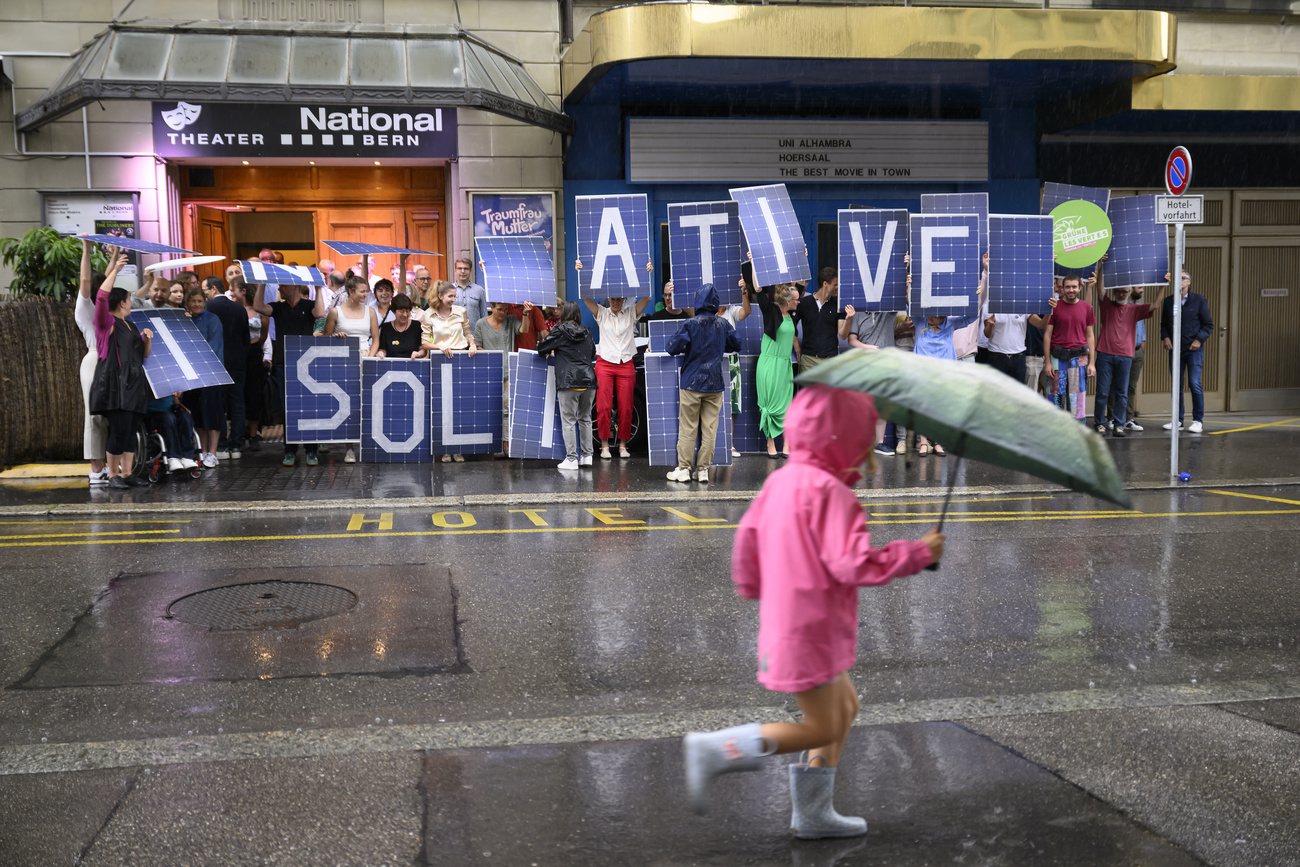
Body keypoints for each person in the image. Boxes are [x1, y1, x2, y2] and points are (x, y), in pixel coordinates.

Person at [683, 385, 944, 836]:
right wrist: (918, 553)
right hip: (813, 631)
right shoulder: (836, 497)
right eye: (866, 439)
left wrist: (752, 585)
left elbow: (749, 534)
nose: (870, 450)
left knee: (845, 707)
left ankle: (813, 811)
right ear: (845, 441)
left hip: (792, 623)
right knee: (821, 726)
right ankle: (718, 750)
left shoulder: (782, 480)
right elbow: (854, 564)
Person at [665, 284, 740, 484]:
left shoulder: (691, 324)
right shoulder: (723, 324)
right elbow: (737, 344)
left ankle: (683, 469)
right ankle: (703, 470)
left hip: (691, 382)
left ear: (697, 302)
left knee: (688, 427)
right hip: (715, 384)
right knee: (710, 429)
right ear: (715, 304)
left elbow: (671, 348)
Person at [254, 279, 327, 466]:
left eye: (283, 285)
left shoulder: (309, 305)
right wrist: (262, 283)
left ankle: (311, 450)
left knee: (310, 407)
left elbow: (319, 313)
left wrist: (318, 288)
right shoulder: (278, 308)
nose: (279, 288)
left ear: (294, 287)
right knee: (288, 408)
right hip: (283, 363)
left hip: (308, 364)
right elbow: (258, 306)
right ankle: (290, 450)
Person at [91, 283, 153, 488]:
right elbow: (101, 299)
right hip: (117, 384)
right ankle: (113, 475)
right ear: (121, 302)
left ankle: (127, 474)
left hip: (135, 381)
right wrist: (115, 266)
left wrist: (147, 339)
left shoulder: (131, 325)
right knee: (119, 429)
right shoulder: (108, 323)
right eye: (129, 298)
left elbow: (143, 355)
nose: (131, 302)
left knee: (130, 429)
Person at [1094, 266, 1165, 437]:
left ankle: (1119, 424)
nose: (1121, 294)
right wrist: (1102, 266)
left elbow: (1155, 305)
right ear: (1115, 291)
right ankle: (1099, 423)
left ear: (1129, 292)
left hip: (1125, 356)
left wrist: (1163, 285)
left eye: (1124, 291)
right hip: (1105, 353)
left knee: (1122, 392)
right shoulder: (1107, 305)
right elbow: (1100, 288)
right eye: (1118, 291)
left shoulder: (1134, 309)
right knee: (1102, 391)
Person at [77, 240, 125, 485]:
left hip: (111, 360)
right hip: (95, 359)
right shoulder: (84, 306)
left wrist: (115, 251)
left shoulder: (101, 307)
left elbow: (106, 277)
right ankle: (96, 469)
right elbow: (86, 282)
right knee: (94, 415)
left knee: (110, 415)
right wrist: (86, 247)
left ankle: (107, 465)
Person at [582, 291, 651, 461]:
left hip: (626, 362)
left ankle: (622, 445)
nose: (615, 302)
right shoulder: (601, 313)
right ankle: (604, 445)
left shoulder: (630, 313)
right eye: (612, 298)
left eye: (618, 298)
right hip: (605, 363)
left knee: (626, 407)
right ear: (608, 299)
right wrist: (580, 272)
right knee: (603, 407)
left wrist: (648, 273)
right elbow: (585, 297)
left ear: (623, 299)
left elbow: (647, 297)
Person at [324, 274, 380, 463]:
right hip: (344, 361)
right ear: (351, 292)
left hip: (366, 359)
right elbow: (325, 339)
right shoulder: (335, 312)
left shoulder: (370, 312)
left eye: (367, 290)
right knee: (347, 405)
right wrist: (336, 338)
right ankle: (349, 448)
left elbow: (376, 339)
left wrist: (370, 360)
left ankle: (369, 446)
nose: (366, 294)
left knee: (367, 404)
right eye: (363, 291)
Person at [838, 301, 906, 456]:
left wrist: (907, 285)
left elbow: (902, 297)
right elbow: (851, 341)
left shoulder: (888, 310)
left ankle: (879, 443)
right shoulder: (858, 313)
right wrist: (870, 348)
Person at [536, 301, 597, 471]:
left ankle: (571, 459)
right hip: (589, 380)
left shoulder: (560, 331)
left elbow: (542, 347)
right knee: (585, 418)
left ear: (564, 314)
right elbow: (592, 353)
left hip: (568, 381)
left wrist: (551, 350)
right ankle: (587, 456)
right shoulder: (587, 332)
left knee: (569, 420)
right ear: (578, 315)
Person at [422, 279, 479, 462]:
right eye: (450, 296)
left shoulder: (461, 312)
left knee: (459, 406)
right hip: (440, 361)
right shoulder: (428, 314)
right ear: (440, 296)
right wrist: (439, 347)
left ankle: (458, 448)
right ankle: (445, 448)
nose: (454, 299)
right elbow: (424, 342)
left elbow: (468, 333)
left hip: (461, 359)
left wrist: (472, 345)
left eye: (455, 296)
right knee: (442, 406)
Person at [1161, 269, 1213, 433]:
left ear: (1189, 282)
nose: (1180, 281)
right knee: (1177, 385)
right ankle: (1178, 420)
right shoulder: (1169, 301)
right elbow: (1164, 324)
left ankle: (1198, 420)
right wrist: (1165, 337)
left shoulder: (1198, 300)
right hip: (1176, 349)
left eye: (1183, 278)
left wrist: (1199, 340)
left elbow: (1208, 325)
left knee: (1194, 383)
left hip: (1193, 349)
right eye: (1178, 278)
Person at [205, 276, 251, 459]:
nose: (205, 294)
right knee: (237, 404)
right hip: (237, 362)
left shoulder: (209, 308)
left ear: (214, 288)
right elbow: (246, 338)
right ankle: (237, 445)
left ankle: (222, 445)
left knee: (219, 404)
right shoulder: (239, 309)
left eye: (206, 290)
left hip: (215, 362)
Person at [180, 287, 226, 468]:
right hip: (191, 377)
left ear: (205, 302)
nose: (197, 304)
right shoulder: (186, 321)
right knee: (198, 415)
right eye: (193, 301)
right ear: (188, 303)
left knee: (212, 415)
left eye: (200, 301)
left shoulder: (212, 320)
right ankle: (203, 451)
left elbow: (214, 347)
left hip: (211, 374)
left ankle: (212, 453)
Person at [755, 283, 800, 458]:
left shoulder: (793, 315)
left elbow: (800, 285)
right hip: (770, 364)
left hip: (785, 365)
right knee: (771, 404)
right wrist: (752, 262)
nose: (798, 302)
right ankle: (770, 442)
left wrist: (801, 258)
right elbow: (759, 291)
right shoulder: (771, 312)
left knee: (787, 405)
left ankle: (787, 444)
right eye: (796, 300)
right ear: (788, 301)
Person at [1043, 274, 1095, 422]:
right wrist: (1047, 362)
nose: (1071, 290)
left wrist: (1092, 363)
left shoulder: (1087, 308)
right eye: (1067, 287)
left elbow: (1090, 336)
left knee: (1077, 400)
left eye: (1074, 287)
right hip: (1057, 357)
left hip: (1079, 358)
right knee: (1054, 398)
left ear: (1080, 287)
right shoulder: (1054, 307)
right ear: (1062, 288)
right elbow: (1047, 335)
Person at [718, 283, 753, 458]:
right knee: (713, 404)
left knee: (731, 405)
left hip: (731, 361)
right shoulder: (706, 311)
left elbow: (747, 312)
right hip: (714, 361)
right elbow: (688, 311)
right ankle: (716, 444)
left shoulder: (731, 311)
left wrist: (744, 291)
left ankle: (729, 445)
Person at [239, 270, 269, 450]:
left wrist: (257, 346)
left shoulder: (259, 312)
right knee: (239, 393)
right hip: (239, 352)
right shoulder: (235, 309)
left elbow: (264, 334)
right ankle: (240, 428)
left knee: (254, 393)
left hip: (254, 351)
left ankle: (253, 433)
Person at [794, 267, 842, 374]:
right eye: (835, 284)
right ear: (825, 284)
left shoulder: (838, 304)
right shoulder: (804, 303)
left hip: (830, 359)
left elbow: (843, 334)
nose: (838, 287)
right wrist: (797, 346)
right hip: (808, 360)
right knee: (809, 391)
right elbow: (791, 323)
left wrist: (848, 319)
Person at [146, 393, 200, 473]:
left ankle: (187, 456)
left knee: (185, 417)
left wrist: (175, 398)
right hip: (153, 413)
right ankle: (173, 457)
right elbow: (148, 397)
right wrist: (166, 393)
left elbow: (176, 403)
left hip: (171, 410)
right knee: (169, 418)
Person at [375, 294, 428, 359]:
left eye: (407, 311)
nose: (405, 315)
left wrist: (418, 354)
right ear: (394, 311)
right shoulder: (386, 328)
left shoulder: (416, 326)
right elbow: (383, 349)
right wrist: (381, 353)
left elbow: (423, 350)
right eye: (401, 311)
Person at [452, 256, 489, 332]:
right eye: (460, 268)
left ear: (470, 271)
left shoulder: (479, 290)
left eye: (466, 268)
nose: (463, 271)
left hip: (475, 336)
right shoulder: (448, 290)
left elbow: (484, 316)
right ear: (455, 271)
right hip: (454, 337)